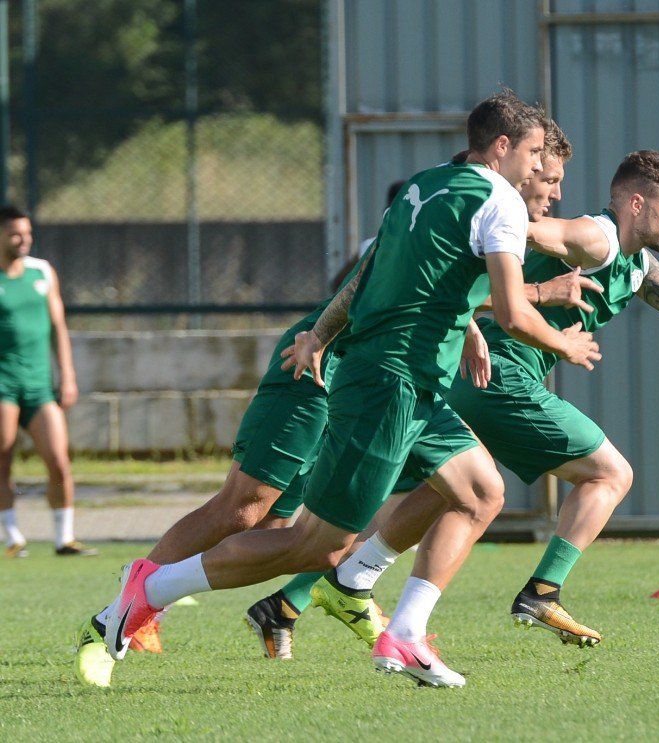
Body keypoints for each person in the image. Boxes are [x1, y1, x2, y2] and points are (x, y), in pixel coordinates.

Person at [79, 90, 601, 690]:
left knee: (481, 491)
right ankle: (143, 593)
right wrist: (564, 345)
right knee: (315, 546)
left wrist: (321, 335)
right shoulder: (501, 202)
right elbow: (511, 312)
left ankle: (403, 637)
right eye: (535, 153)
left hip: (414, 384)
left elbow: (367, 278)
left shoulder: (424, 184)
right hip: (390, 383)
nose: (540, 169)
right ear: (502, 147)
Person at [325, 147, 659, 649]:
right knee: (611, 474)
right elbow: (529, 231)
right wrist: (472, 220)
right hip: (500, 375)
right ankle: (542, 591)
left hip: (474, 376)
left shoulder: (638, 264)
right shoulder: (595, 237)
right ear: (637, 204)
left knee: (447, 495)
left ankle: (326, 587)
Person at [0, 205, 95, 559]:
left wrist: (67, 375)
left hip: (39, 386)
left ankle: (64, 538)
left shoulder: (42, 272)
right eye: (14, 234)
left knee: (58, 459)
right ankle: (12, 537)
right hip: (3, 385)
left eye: (27, 233)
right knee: (2, 458)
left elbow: (58, 326)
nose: (23, 240)